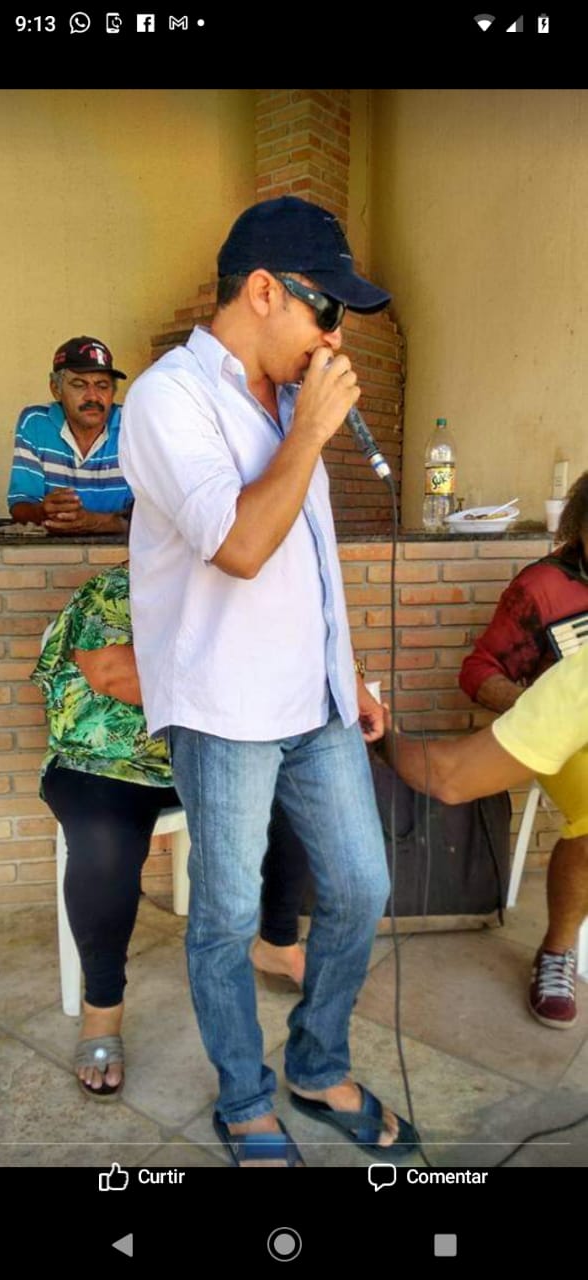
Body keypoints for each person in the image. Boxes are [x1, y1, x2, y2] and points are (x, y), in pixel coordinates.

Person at [119, 195, 416, 1167]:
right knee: (229, 917)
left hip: (313, 701)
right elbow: (242, 546)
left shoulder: (290, 403)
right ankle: (244, 1097)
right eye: (327, 310)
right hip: (225, 709)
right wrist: (312, 432)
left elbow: (309, 562)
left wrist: (349, 670)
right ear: (262, 291)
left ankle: (316, 1062)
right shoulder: (166, 399)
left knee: (362, 885)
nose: (335, 337)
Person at [32, 563, 309, 1100]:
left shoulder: (239, 592)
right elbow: (114, 674)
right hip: (104, 760)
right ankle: (102, 1008)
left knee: (295, 798)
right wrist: (244, 677)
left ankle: (277, 943)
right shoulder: (114, 588)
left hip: (205, 750)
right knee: (105, 847)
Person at [384, 644, 588, 1030]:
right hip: (564, 730)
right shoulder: (545, 620)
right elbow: (478, 671)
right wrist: (529, 704)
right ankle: (558, 950)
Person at [459, 472, 588, 1028]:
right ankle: (557, 951)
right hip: (568, 740)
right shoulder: (543, 588)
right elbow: (478, 671)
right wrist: (537, 707)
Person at [7, 335, 133, 534]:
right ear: (56, 389)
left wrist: (94, 521)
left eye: (102, 386)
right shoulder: (36, 423)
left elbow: (153, 514)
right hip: (56, 551)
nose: (93, 396)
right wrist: (42, 511)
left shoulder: (133, 425)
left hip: (126, 551)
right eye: (79, 385)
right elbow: (20, 505)